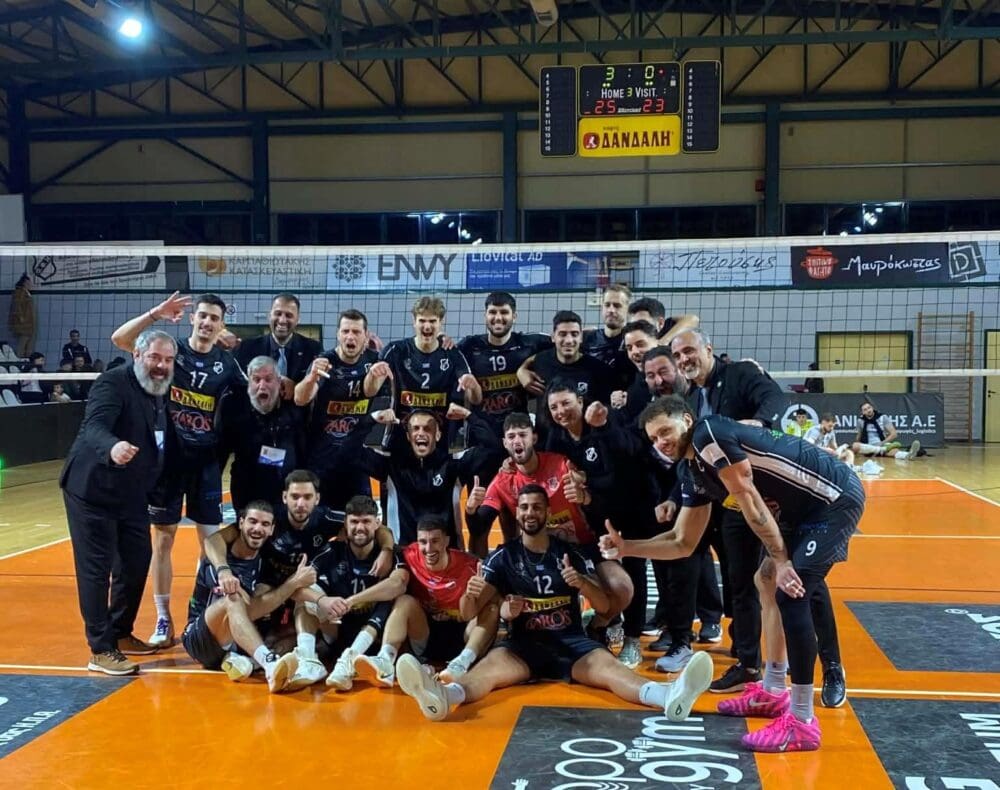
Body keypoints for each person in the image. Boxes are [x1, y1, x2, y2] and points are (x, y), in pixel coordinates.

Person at [602, 396, 866, 752]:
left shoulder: (708, 434)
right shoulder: (692, 469)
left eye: (665, 431)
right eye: (653, 438)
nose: (660, 442)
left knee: (791, 591)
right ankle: (774, 690)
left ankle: (802, 721)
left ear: (686, 419)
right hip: (801, 511)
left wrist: (782, 560)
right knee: (766, 581)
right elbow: (682, 542)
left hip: (834, 498)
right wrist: (627, 548)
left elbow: (750, 500)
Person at [396, 484, 715, 723]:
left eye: (537, 507)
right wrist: (472, 592)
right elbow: (468, 613)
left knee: (612, 671)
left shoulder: (569, 553)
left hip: (571, 643)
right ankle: (442, 697)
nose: (530, 513)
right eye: (524, 507)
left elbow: (605, 607)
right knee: (485, 673)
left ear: (547, 513)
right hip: (523, 646)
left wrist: (582, 583)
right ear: (516, 513)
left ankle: (670, 696)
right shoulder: (503, 556)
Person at [112, 291, 245, 649]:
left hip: (206, 463)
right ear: (191, 318)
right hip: (167, 462)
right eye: (203, 316)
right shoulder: (170, 351)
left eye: (214, 318)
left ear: (221, 324)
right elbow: (121, 339)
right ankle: (162, 618)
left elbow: (256, 393)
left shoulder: (226, 363)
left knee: (210, 544)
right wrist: (155, 313)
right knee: (164, 539)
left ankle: (199, 613)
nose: (207, 323)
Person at [670, 327, 785, 694]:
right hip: (720, 499)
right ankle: (747, 660)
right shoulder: (690, 396)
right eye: (678, 355)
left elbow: (774, 397)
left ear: (709, 348)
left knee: (768, 578)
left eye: (690, 351)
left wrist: (759, 424)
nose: (684, 359)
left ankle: (789, 660)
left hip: (758, 494)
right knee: (738, 580)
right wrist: (675, 495)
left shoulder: (739, 373)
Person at [60, 329, 177, 675]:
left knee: (136, 560)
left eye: (168, 359)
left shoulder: (159, 388)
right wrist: (112, 446)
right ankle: (100, 649)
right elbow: (93, 427)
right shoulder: (113, 382)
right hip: (92, 489)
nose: (161, 365)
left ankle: (121, 631)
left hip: (131, 492)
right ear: (137, 354)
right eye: (155, 357)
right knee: (96, 570)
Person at [464, 412, 634, 635]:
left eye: (523, 435)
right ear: (505, 443)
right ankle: (514, 623)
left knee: (622, 589)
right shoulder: (502, 481)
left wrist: (584, 493)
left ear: (534, 438)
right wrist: (471, 509)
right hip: (538, 555)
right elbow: (479, 526)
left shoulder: (560, 464)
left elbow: (598, 496)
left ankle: (596, 627)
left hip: (582, 546)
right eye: (511, 436)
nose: (517, 441)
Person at [327, 516, 499, 691]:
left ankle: (461, 664)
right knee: (404, 600)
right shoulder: (409, 555)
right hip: (425, 633)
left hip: (462, 634)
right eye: (423, 542)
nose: (428, 548)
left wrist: (470, 595)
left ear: (446, 541)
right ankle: (385, 661)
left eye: (435, 541)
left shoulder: (471, 566)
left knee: (492, 609)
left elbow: (470, 614)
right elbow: (382, 531)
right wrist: (386, 550)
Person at [181, 500, 309, 692]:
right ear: (240, 523)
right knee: (233, 599)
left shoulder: (264, 560)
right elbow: (248, 610)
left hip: (234, 641)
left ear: (271, 530)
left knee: (293, 632)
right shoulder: (218, 563)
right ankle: (269, 664)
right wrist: (293, 583)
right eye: (253, 521)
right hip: (201, 640)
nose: (258, 529)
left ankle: (248, 663)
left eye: (265, 524)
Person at [288, 495, 398, 692]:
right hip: (337, 629)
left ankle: (350, 659)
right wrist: (322, 600)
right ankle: (308, 660)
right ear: (345, 524)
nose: (360, 527)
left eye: (366, 521)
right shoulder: (333, 550)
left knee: (395, 598)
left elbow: (398, 585)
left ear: (377, 523)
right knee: (307, 596)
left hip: (375, 635)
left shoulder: (390, 555)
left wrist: (352, 601)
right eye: (354, 522)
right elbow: (295, 588)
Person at [295, 309, 382, 510]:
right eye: (345, 331)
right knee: (317, 519)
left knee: (362, 518)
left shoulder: (374, 361)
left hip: (356, 460)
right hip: (322, 460)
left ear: (366, 335)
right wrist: (311, 378)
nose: (350, 337)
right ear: (338, 334)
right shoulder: (324, 361)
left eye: (356, 332)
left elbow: (372, 390)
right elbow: (300, 399)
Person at [370, 296, 482, 429]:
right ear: (414, 321)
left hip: (440, 432)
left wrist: (474, 385)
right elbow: (371, 391)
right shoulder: (395, 351)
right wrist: (372, 375)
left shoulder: (452, 353)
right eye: (422, 320)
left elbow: (476, 399)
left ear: (441, 322)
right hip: (402, 430)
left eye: (432, 321)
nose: (427, 326)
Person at [457, 291, 552, 443]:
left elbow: (566, 339)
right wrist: (442, 338)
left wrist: (524, 368)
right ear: (485, 315)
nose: (498, 317)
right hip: (481, 435)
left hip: (518, 434)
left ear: (514, 316)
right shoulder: (469, 346)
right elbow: (442, 351)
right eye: (492, 312)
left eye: (504, 312)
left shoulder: (528, 344)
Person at [219, 356, 305, 512]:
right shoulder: (235, 410)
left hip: (287, 490)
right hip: (247, 490)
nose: (262, 385)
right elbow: (221, 450)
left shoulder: (294, 408)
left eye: (268, 379)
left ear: (279, 382)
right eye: (256, 380)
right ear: (248, 383)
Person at [516, 310, 614, 436]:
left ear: (581, 337)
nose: (568, 340)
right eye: (562, 334)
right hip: (547, 440)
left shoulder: (597, 369)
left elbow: (606, 410)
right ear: (553, 337)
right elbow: (530, 360)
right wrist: (521, 370)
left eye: (574, 334)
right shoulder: (541, 361)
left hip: (584, 440)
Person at [234, 292, 321, 399]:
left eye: (289, 315)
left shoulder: (313, 349)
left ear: (298, 319)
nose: (282, 320)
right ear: (269, 316)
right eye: (278, 314)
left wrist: (295, 388)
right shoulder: (246, 348)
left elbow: (317, 388)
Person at [851, 400, 921, 459]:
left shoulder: (882, 417)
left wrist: (882, 443)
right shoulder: (860, 421)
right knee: (855, 445)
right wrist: (856, 448)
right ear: (862, 412)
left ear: (872, 408)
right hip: (867, 446)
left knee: (894, 450)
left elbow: (894, 434)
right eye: (865, 410)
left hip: (881, 444)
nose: (868, 410)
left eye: (869, 408)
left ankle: (908, 455)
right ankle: (880, 450)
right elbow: (859, 436)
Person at [626, 296, 699, 345]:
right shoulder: (629, 338)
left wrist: (664, 341)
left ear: (660, 323)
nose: (638, 329)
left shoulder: (668, 328)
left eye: (643, 324)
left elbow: (692, 319)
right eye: (634, 325)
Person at [7, 273, 34, 358]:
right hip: (24, 324)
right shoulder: (20, 293)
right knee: (22, 344)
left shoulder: (26, 293)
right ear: (25, 283)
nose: (31, 285)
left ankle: (26, 360)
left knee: (27, 344)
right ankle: (19, 361)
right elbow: (17, 306)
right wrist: (21, 318)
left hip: (28, 323)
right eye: (29, 283)